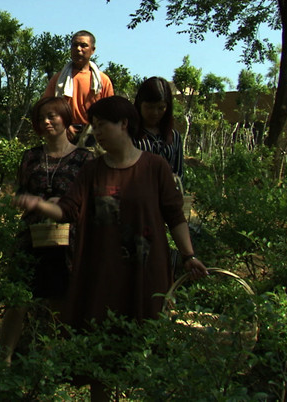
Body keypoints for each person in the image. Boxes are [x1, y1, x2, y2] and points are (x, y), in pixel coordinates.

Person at [12, 95, 207, 401]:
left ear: (124, 124)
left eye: (103, 125)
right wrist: (37, 204)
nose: (97, 132)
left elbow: (175, 215)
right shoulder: (92, 170)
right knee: (99, 352)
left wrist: (188, 255)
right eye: (94, 126)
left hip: (145, 273)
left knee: (143, 347)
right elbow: (68, 210)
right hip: (102, 274)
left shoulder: (154, 167)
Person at [0, 97, 94, 365]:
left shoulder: (85, 159)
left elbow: (89, 201)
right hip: (31, 236)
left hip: (68, 240)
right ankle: (3, 359)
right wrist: (23, 201)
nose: (47, 122)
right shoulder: (30, 156)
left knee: (59, 300)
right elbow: (21, 191)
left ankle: (50, 364)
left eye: (53, 116)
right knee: (18, 298)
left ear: (66, 118)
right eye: (42, 118)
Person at [42, 30, 114, 145]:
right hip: (65, 134)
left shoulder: (102, 80)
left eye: (84, 45)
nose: (78, 49)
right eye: (75, 45)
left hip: (94, 135)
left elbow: (110, 113)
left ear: (92, 50)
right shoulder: (58, 79)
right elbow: (46, 108)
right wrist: (63, 125)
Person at [134, 76, 183, 181]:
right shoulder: (129, 134)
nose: (155, 113)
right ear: (139, 104)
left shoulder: (174, 137)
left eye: (161, 108)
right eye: (149, 107)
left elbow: (179, 172)